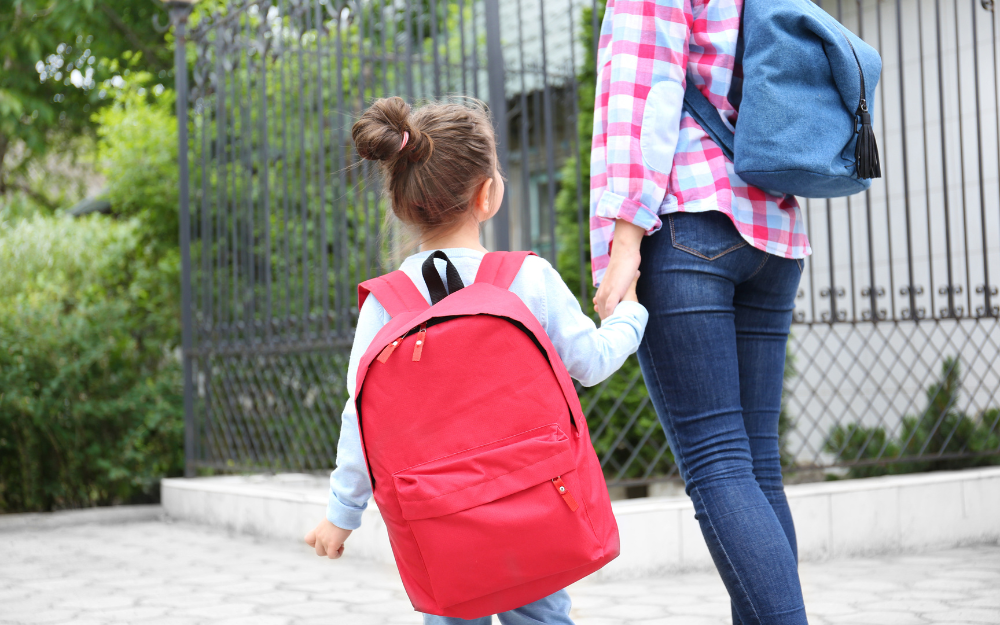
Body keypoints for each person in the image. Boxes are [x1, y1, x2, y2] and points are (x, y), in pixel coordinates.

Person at [305, 96, 648, 625]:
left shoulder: (384, 302)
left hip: (440, 526)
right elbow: (592, 361)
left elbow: (361, 417)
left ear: (399, 201)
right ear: (487, 194)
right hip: (535, 509)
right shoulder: (527, 279)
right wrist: (630, 315)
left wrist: (341, 515)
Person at [589, 1, 812, 624]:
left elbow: (647, 90)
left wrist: (625, 239)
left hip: (688, 223)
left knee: (719, 465)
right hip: (772, 228)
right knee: (756, 470)